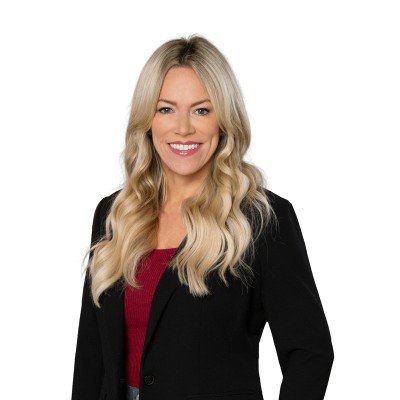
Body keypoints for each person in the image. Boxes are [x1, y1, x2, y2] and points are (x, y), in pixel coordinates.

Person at [71, 35, 334, 400]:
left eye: (201, 110)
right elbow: (91, 359)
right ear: (147, 120)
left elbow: (310, 353)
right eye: (166, 109)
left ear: (224, 120)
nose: (183, 128)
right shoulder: (114, 213)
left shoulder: (261, 219)